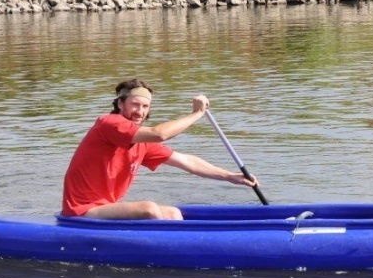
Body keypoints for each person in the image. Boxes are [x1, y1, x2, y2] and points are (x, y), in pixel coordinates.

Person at [61, 79, 258, 220]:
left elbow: (187, 162)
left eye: (145, 106)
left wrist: (230, 176)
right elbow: (159, 133)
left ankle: (180, 250)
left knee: (173, 214)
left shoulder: (142, 142)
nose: (140, 112)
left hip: (107, 207)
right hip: (81, 210)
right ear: (120, 103)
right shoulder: (109, 123)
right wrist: (197, 114)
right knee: (149, 209)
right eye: (135, 105)